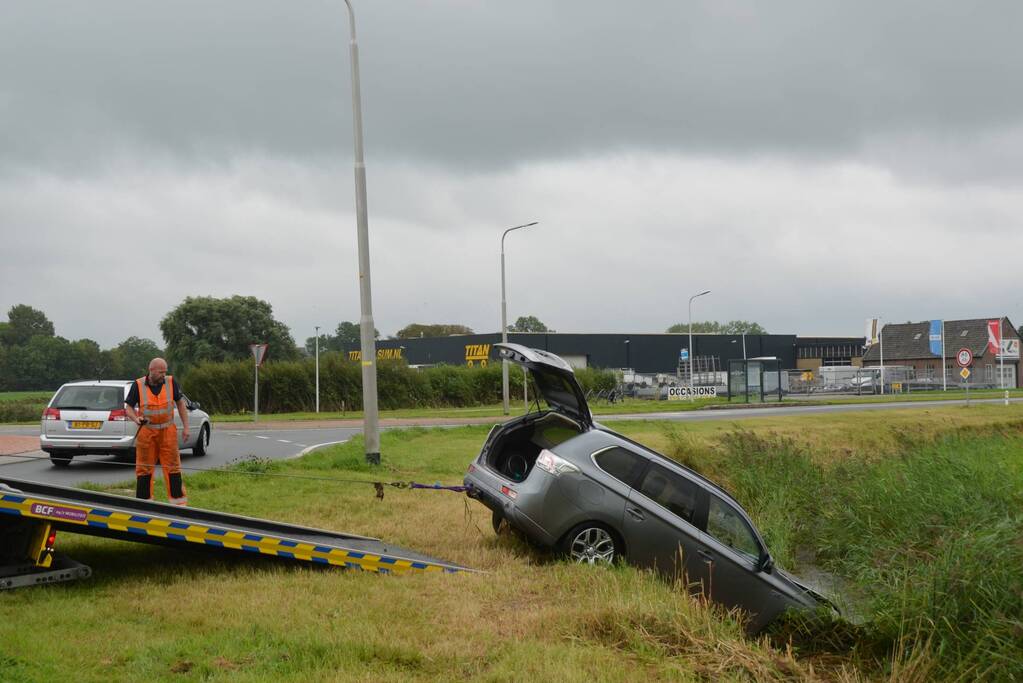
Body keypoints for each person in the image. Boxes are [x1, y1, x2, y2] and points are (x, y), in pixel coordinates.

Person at [124, 358, 189, 505]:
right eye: (161, 372)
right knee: (144, 470)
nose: (163, 375)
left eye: (165, 372)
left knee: (173, 468)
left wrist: (185, 427)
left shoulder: (171, 382)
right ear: (151, 370)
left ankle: (179, 505)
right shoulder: (138, 385)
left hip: (168, 432)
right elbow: (128, 407)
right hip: (147, 433)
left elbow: (180, 404)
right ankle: (143, 506)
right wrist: (136, 419)